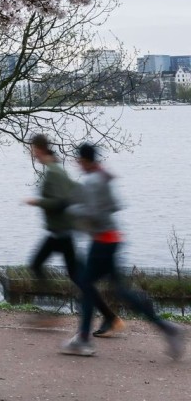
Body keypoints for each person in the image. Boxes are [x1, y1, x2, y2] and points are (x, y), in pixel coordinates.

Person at [60, 143, 184, 360]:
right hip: (113, 238)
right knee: (120, 291)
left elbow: (92, 213)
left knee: (87, 285)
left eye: (78, 159)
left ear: (84, 160)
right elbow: (116, 206)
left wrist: (70, 208)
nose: (76, 163)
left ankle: (83, 339)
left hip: (101, 242)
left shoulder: (91, 181)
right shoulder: (103, 176)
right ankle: (167, 328)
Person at [22, 134, 119, 333]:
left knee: (41, 265)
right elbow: (73, 191)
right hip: (60, 232)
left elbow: (61, 202)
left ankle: (50, 313)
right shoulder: (55, 169)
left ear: (39, 149)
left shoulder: (54, 172)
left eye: (32, 149)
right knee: (77, 276)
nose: (32, 154)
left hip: (62, 233)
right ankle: (110, 317)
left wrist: (37, 202)